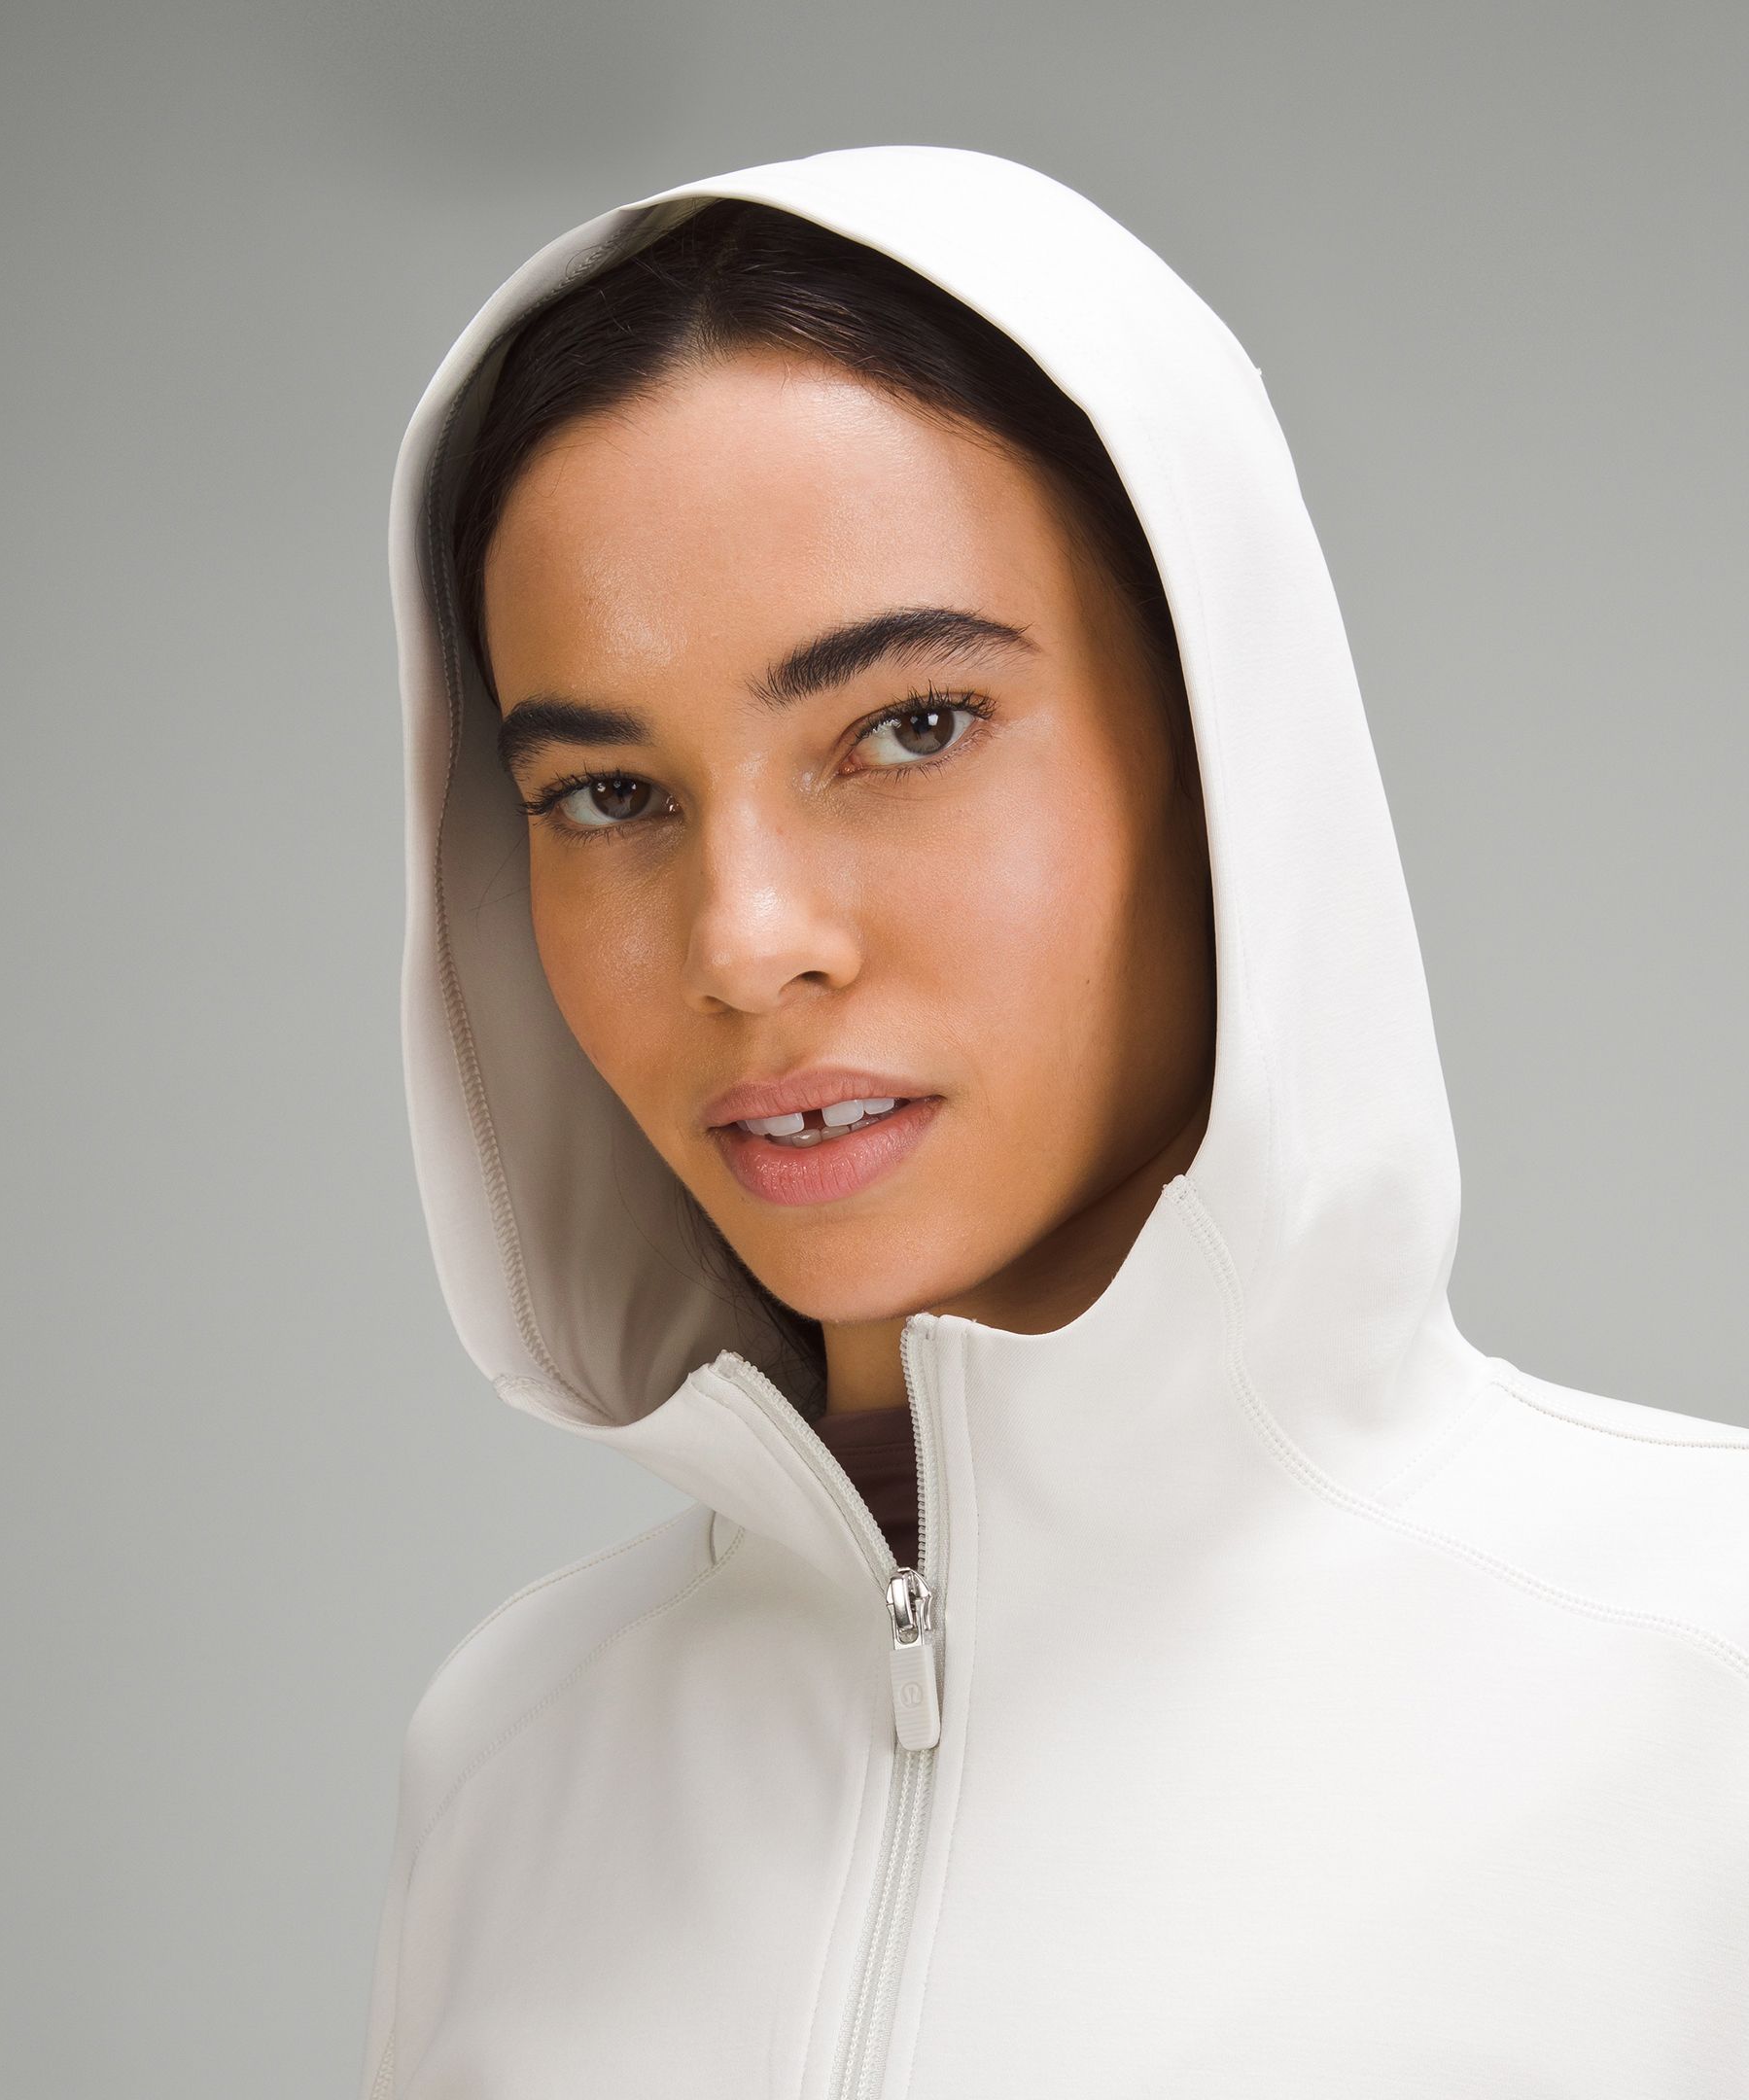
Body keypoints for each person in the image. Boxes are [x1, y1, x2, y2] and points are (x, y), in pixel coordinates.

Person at [361, 146, 1749, 2098]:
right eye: (608, 795)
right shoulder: (513, 1768)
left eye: (910, 727)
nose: (745, 942)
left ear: (1220, 748)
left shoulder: (1700, 1682)